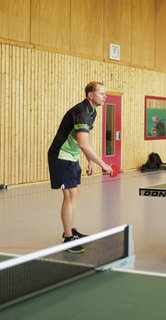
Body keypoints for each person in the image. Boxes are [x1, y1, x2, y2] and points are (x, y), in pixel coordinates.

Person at [48, 81, 113, 254]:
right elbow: (84, 144)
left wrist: (90, 160)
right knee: (70, 195)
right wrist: (102, 164)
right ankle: (68, 238)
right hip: (61, 156)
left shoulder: (92, 112)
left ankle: (70, 230)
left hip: (72, 156)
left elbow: (84, 139)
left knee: (75, 193)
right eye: (101, 93)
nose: (105, 96)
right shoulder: (82, 111)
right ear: (90, 95)